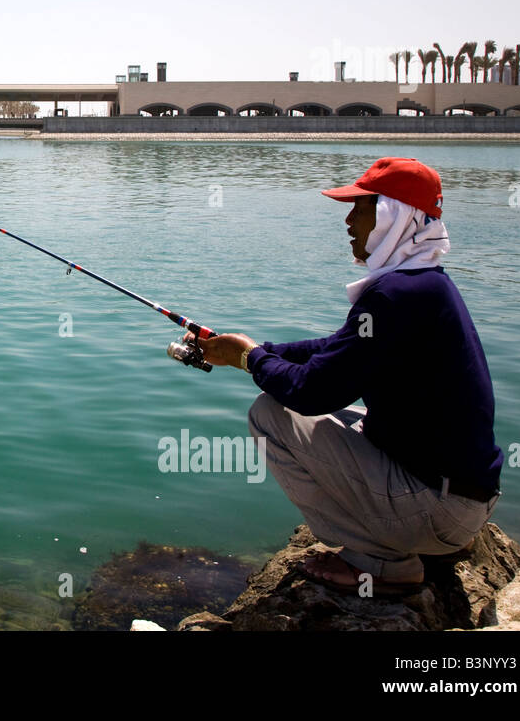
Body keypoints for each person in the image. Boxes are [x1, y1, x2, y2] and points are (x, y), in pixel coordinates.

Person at [188, 157, 503, 594]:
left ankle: (382, 563)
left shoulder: (395, 296)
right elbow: (336, 350)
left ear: (395, 216)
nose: (349, 219)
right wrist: (257, 348)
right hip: (462, 500)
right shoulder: (424, 284)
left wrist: (249, 360)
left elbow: (311, 392)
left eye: (361, 208)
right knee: (331, 408)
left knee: (271, 415)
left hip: (439, 510)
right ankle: (421, 540)